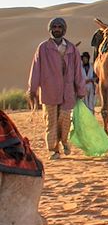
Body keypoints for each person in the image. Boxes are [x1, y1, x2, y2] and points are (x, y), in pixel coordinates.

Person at [27, 17, 86, 160]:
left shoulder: (71, 48)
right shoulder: (43, 48)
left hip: (68, 91)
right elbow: (35, 69)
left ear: (63, 29)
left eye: (59, 27)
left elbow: (78, 70)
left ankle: (64, 142)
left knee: (65, 120)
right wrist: (32, 89)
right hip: (49, 90)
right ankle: (53, 150)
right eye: (54, 27)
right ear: (50, 29)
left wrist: (81, 89)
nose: (57, 29)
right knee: (51, 122)